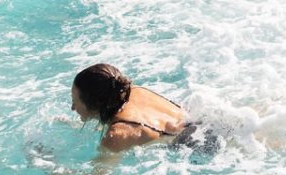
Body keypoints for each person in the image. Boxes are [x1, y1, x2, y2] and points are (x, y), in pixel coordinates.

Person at [71, 63, 216, 153]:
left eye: (75, 101)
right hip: (208, 125)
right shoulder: (134, 91)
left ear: (95, 105)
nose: (72, 107)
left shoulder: (116, 136)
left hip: (199, 146)